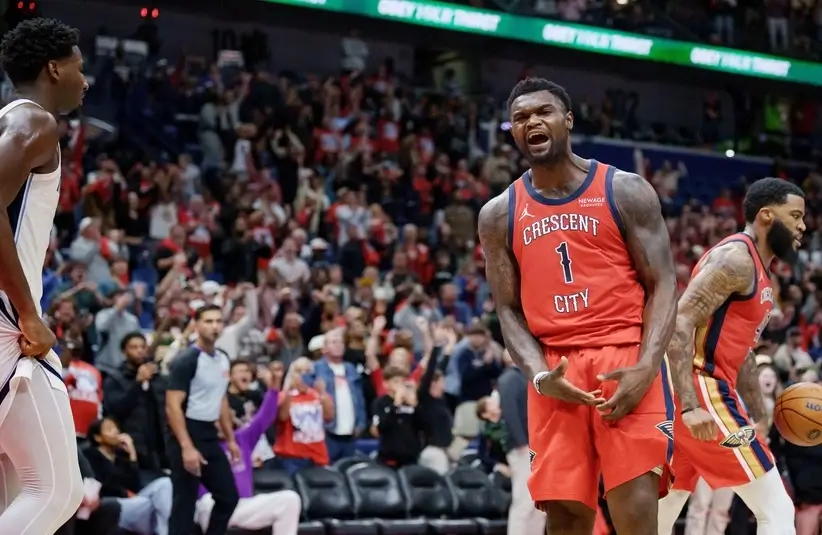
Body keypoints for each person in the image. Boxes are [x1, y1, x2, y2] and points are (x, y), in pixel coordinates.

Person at [478, 77, 678, 535]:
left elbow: (663, 283)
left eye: (543, 112)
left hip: (624, 356)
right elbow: (507, 310)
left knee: (635, 507)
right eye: (520, 118)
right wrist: (541, 375)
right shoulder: (499, 214)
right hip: (554, 367)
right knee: (564, 516)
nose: (532, 122)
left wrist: (648, 365)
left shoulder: (625, 190)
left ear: (567, 120)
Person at [657, 177, 802, 535]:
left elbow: (745, 350)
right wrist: (691, 406)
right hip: (701, 387)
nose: (803, 226)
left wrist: (758, 412)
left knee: (664, 506)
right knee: (777, 508)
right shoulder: (736, 259)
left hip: (690, 389)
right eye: (795, 216)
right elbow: (679, 323)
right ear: (767, 216)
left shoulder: (760, 270)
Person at [0, 17, 88, 534]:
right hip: (9, 322)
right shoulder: (35, 123)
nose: (85, 79)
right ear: (54, 68)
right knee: (56, 491)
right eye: (80, 67)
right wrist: (30, 314)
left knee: (16, 490)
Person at [196, 361, 302, 535]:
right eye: (216, 419)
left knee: (290, 499)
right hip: (210, 506)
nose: (221, 423)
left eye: (225, 419)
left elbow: (264, 417)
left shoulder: (242, 438)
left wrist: (275, 385)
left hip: (243, 506)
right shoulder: (199, 444)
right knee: (208, 503)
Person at [166, 304, 240, 535]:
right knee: (184, 503)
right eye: (208, 321)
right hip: (186, 431)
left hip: (208, 433)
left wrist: (231, 439)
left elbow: (222, 400)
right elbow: (172, 406)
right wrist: (187, 447)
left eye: (218, 321)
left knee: (228, 497)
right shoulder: (186, 360)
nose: (214, 326)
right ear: (196, 325)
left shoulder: (223, 359)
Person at [84, 417, 172, 535]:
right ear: (98, 437)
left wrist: (132, 454)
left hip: (131, 502)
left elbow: (136, 485)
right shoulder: (90, 455)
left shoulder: (121, 457)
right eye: (110, 429)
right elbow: (99, 483)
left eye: (116, 428)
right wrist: (125, 493)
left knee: (164, 484)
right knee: (153, 507)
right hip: (109, 503)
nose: (116, 432)